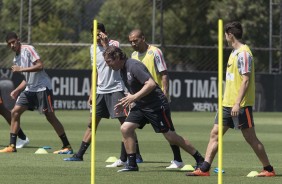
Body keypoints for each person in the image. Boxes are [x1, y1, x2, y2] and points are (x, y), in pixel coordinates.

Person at [186, 21, 275, 177]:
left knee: (250, 138)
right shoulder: (233, 53)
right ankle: (204, 168)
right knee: (215, 133)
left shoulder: (244, 54)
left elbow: (245, 80)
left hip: (240, 105)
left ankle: (268, 169)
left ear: (230, 35)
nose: (224, 37)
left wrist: (236, 103)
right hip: (226, 104)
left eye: (225, 34)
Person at [103, 46, 204, 172]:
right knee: (126, 128)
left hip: (156, 105)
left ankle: (200, 160)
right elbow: (134, 89)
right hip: (141, 106)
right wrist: (128, 101)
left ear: (117, 57)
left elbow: (150, 84)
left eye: (109, 62)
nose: (108, 65)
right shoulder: (122, 69)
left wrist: (133, 97)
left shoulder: (133, 66)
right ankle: (132, 164)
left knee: (170, 136)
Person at [64, 23, 143, 166]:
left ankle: (132, 155)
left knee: (125, 124)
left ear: (105, 33)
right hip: (100, 90)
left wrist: (105, 44)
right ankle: (79, 154)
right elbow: (95, 70)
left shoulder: (114, 44)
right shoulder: (92, 48)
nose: (96, 37)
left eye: (99, 34)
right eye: (93, 34)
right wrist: (91, 92)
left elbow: (115, 59)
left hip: (116, 89)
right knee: (92, 123)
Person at [0, 32, 73, 154]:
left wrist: (21, 69)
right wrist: (17, 90)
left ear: (18, 40)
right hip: (29, 89)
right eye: (9, 44)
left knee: (50, 116)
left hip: (42, 88)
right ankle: (12, 145)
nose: (12, 45)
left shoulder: (28, 49)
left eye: (13, 42)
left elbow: (40, 66)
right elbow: (27, 78)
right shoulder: (16, 58)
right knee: (15, 112)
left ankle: (67, 146)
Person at [128, 29, 184, 169]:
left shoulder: (155, 52)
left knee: (168, 131)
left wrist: (165, 93)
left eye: (136, 40)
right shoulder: (133, 55)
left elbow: (163, 74)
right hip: (141, 100)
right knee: (127, 127)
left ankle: (178, 160)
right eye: (131, 41)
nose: (133, 43)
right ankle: (128, 159)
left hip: (156, 99)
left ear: (143, 38)